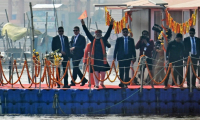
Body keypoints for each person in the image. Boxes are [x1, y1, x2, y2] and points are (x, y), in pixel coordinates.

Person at [81, 18, 114, 88]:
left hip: (103, 59)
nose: (98, 34)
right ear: (95, 34)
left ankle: (102, 83)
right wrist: (83, 25)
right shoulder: (93, 39)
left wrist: (111, 25)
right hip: (94, 59)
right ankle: (96, 84)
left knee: (102, 72)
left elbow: (108, 32)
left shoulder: (104, 39)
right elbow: (87, 32)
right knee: (95, 72)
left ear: (101, 34)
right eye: (97, 33)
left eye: (99, 33)